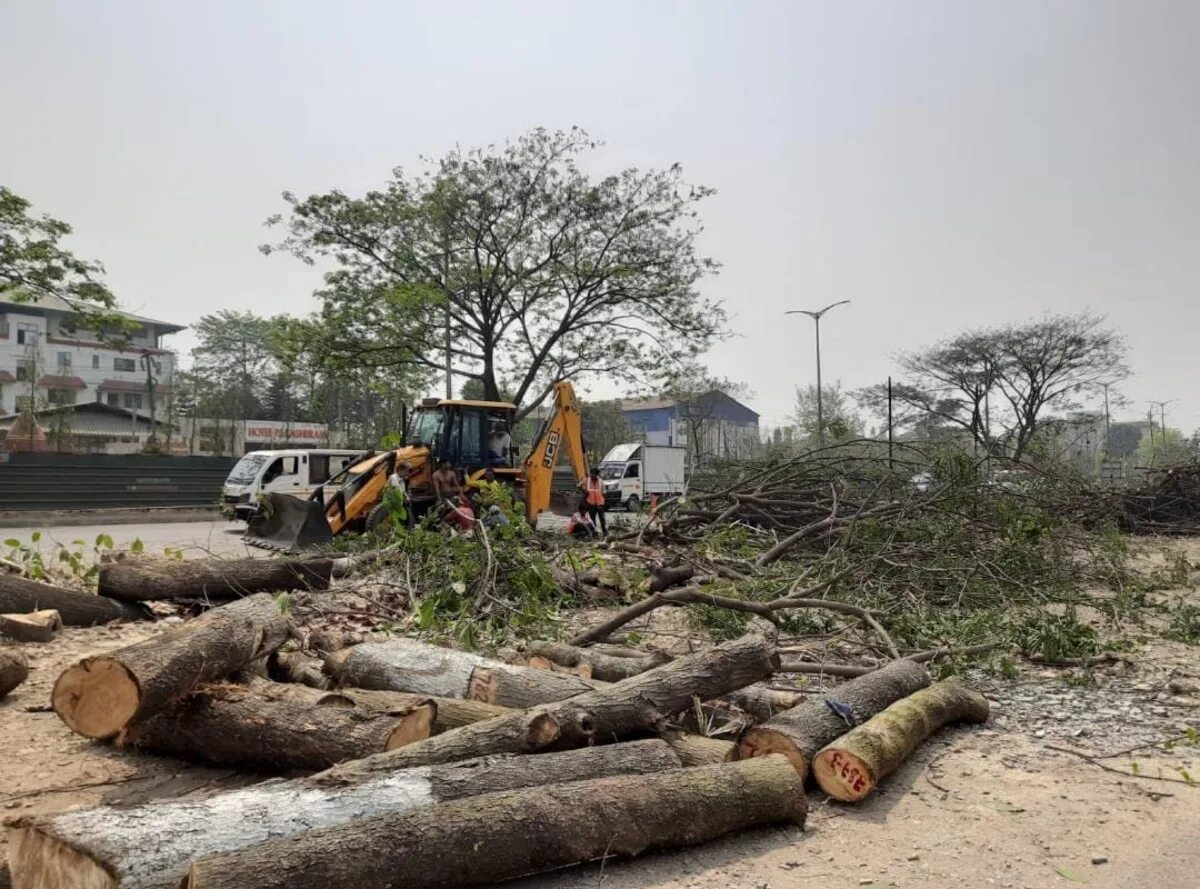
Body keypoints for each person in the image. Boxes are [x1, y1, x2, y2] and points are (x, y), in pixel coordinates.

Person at [581, 467, 607, 536]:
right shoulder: (587, 480)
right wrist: (585, 491)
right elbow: (582, 488)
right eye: (591, 473)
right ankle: (594, 532)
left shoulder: (601, 481)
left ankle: (604, 531)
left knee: (602, 518)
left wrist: (603, 503)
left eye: (593, 473)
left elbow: (604, 493)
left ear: (596, 474)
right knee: (592, 519)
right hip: (591, 503)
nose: (591, 475)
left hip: (600, 503)